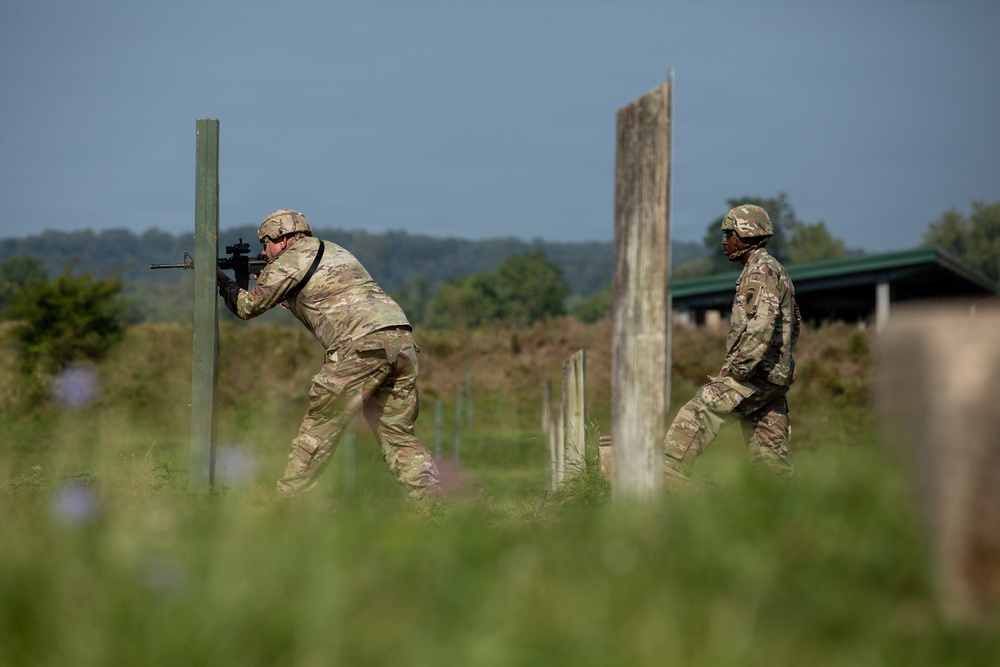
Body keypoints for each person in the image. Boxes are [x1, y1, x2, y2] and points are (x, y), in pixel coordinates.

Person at [216, 209, 441, 498]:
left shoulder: (288, 262)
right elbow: (322, 296)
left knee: (319, 429)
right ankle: (435, 503)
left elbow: (247, 308)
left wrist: (223, 280)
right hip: (401, 340)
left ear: (282, 239)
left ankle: (288, 502)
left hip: (360, 346)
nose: (264, 252)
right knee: (397, 435)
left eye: (266, 244)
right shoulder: (334, 250)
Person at [663, 204, 801, 479]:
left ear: (748, 236)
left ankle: (664, 474)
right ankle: (777, 507)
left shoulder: (761, 271)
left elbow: (760, 327)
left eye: (730, 234)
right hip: (771, 375)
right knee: (769, 451)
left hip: (755, 373)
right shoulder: (769, 269)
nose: (724, 242)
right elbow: (793, 323)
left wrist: (737, 370)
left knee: (701, 409)